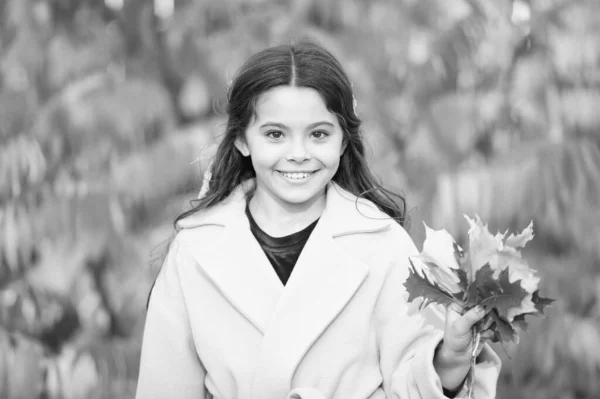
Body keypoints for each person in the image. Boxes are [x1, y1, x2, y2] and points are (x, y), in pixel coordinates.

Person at [135, 40, 501, 399]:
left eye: (318, 134)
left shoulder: (383, 245)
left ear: (343, 142)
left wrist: (450, 358)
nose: (298, 154)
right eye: (275, 134)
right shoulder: (196, 250)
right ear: (242, 141)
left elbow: (414, 383)